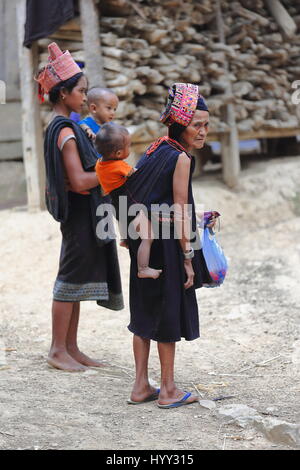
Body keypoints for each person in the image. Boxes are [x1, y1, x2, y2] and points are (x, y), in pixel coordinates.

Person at [125, 82, 216, 408]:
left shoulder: (155, 148)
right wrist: (189, 256)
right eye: (197, 125)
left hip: (142, 245)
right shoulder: (180, 159)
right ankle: (168, 390)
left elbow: (145, 196)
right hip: (165, 247)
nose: (203, 131)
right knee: (166, 313)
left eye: (206, 124)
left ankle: (140, 387)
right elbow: (179, 210)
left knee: (144, 311)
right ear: (180, 124)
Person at [35, 42, 124, 372]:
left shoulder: (70, 126)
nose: (86, 99)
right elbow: (79, 180)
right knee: (69, 278)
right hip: (78, 214)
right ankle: (57, 349)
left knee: (76, 280)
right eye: (81, 91)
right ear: (63, 94)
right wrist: (115, 171)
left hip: (85, 215)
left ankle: (71, 347)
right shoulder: (65, 132)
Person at [95, 122, 162, 280]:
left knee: (123, 219)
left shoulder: (99, 165)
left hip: (116, 202)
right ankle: (143, 268)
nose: (130, 148)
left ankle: (125, 238)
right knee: (148, 236)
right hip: (129, 202)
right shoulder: (119, 166)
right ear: (118, 153)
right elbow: (136, 174)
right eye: (129, 146)